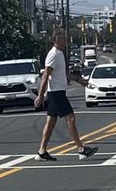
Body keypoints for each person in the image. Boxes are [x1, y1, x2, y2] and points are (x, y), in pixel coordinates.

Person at [32, 29, 96, 160]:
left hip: (58, 91)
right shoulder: (53, 55)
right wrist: (40, 95)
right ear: (55, 40)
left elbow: (64, 74)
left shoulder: (60, 54)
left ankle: (42, 151)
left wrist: (79, 80)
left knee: (51, 121)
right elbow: (45, 76)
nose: (65, 40)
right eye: (63, 38)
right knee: (70, 118)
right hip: (55, 93)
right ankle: (81, 149)